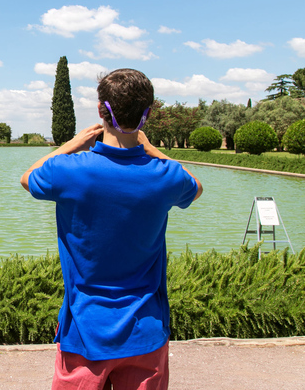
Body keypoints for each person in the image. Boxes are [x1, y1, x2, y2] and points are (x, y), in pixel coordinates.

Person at [21, 68, 202, 390]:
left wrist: (72, 143)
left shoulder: (70, 171)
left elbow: (28, 178)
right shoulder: (164, 175)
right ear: (147, 114)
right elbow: (196, 187)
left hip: (85, 330)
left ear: (101, 111)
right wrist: (151, 149)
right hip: (146, 331)